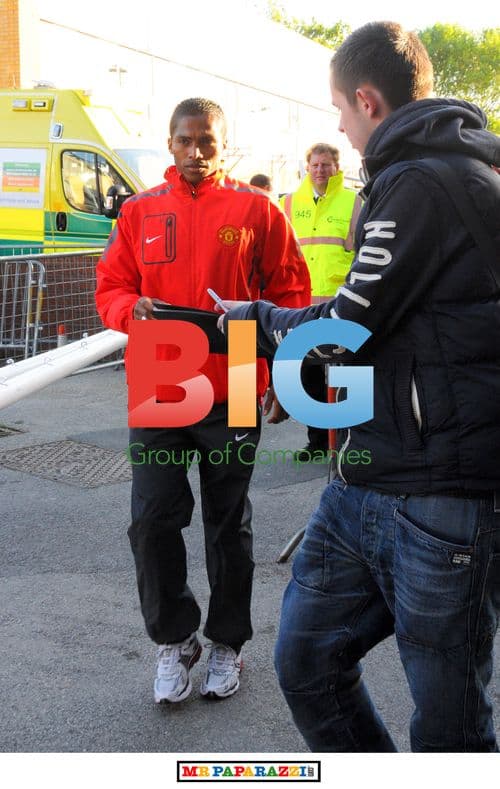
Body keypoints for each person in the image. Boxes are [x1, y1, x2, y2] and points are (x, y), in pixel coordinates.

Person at [218, 23, 500, 751]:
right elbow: (389, 328)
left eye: (340, 110)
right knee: (307, 661)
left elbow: (347, 323)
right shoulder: (413, 176)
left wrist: (256, 319)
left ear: (368, 100)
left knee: (450, 725)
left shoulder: (426, 181)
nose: (339, 129)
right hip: (367, 478)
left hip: (440, 498)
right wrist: (302, 369)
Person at [95, 97, 310, 704]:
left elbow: (291, 293)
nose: (195, 152)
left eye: (207, 142)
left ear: (223, 144)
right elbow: (112, 286)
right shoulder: (140, 211)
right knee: (152, 517)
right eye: (185, 141)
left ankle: (226, 643)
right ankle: (174, 640)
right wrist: (126, 309)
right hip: (163, 379)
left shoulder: (256, 209)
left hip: (238, 374)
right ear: (169, 143)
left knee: (227, 523)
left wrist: (284, 377)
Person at [280, 144, 362, 460]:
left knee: (347, 374)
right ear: (307, 166)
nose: (320, 170)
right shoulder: (287, 203)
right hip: (302, 306)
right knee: (309, 375)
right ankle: (316, 442)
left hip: (344, 304)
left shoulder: (354, 202)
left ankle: (349, 442)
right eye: (315, 164)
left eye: (326, 164)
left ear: (337, 167)